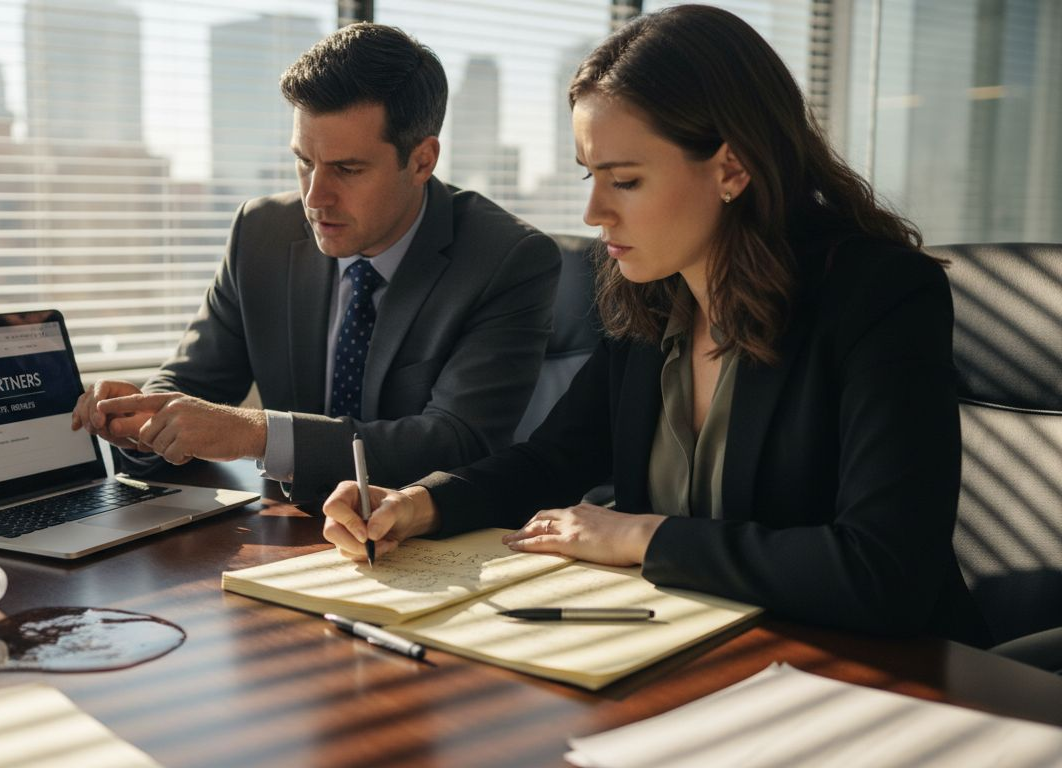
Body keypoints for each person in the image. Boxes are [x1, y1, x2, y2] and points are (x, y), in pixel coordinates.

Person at [321, 5, 990, 646]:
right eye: (590, 175)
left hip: (881, 673)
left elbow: (884, 571)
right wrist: (419, 504)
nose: (593, 212)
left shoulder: (880, 297)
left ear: (731, 168)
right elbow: (554, 460)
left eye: (625, 181)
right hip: (696, 648)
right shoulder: (655, 296)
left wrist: (642, 536)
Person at [71, 23, 560, 504]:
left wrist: (256, 433)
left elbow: (457, 442)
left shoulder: (507, 259)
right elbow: (192, 381)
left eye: (347, 169)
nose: (314, 197)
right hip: (288, 527)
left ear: (421, 161)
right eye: (304, 161)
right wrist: (140, 416)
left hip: (427, 533)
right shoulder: (261, 232)